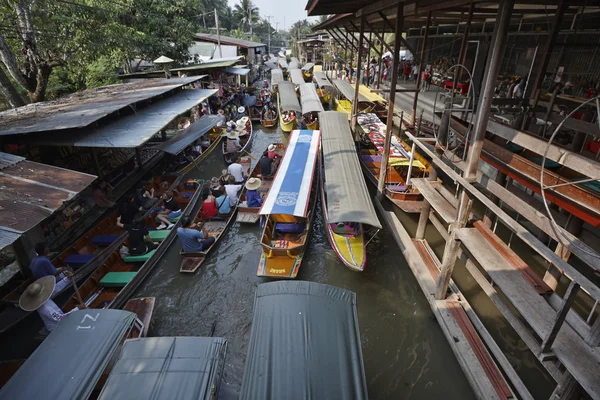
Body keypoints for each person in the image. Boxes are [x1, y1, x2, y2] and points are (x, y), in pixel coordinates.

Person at [19, 276, 85, 332]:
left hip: (58, 317)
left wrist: (67, 279)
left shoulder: (43, 299)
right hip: (57, 328)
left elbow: (55, 289)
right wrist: (77, 309)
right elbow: (61, 318)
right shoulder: (46, 309)